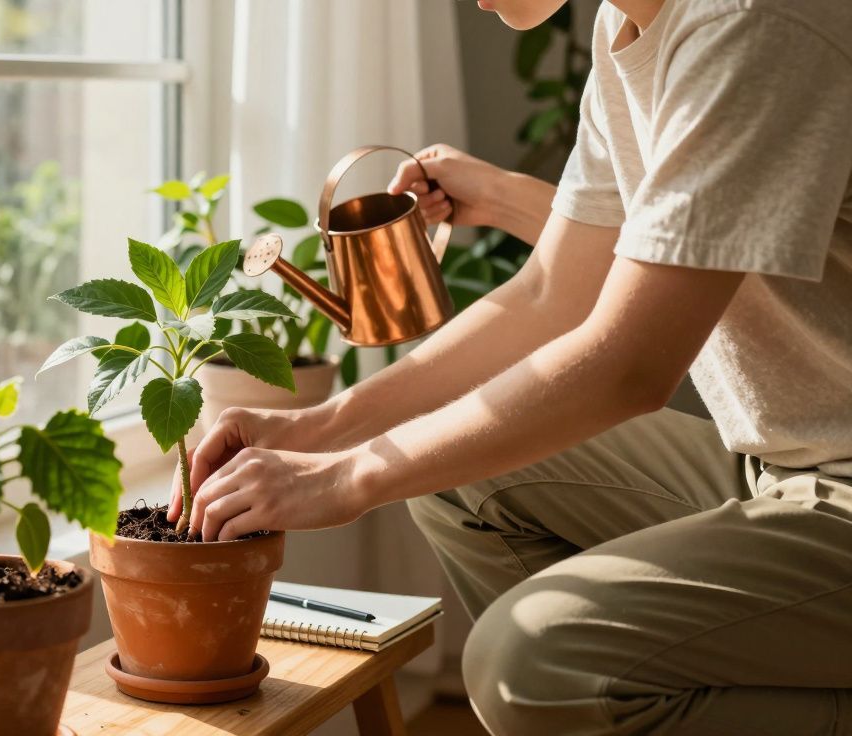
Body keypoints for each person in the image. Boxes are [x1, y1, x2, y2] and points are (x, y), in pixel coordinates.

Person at [169, 0, 852, 733]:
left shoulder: (753, 21)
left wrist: (350, 476)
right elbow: (553, 290)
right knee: (454, 465)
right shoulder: (632, 24)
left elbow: (629, 365)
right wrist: (325, 427)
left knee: (531, 665)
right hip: (780, 467)